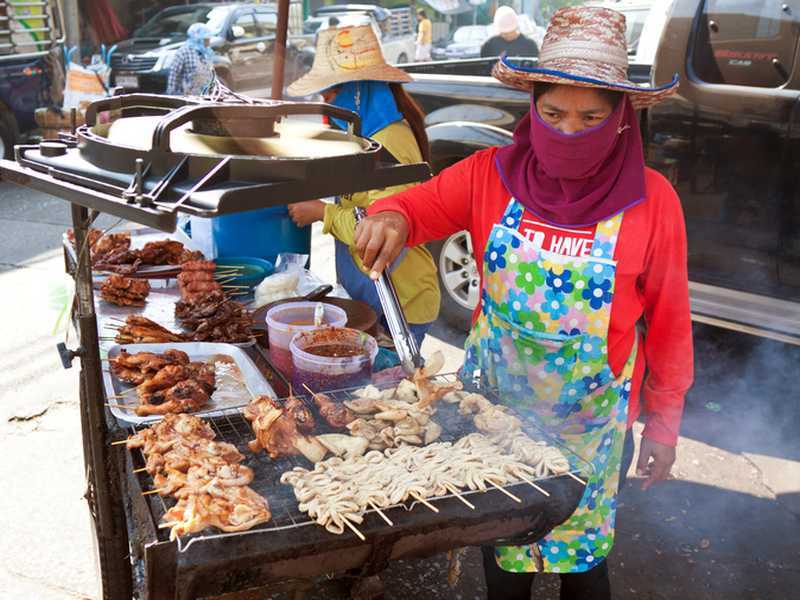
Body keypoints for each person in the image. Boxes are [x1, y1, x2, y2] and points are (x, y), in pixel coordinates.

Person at [353, 7, 692, 599]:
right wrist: (389, 217)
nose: (567, 132)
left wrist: (664, 424)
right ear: (531, 108)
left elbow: (669, 322)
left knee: (583, 569)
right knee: (504, 561)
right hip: (497, 413)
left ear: (621, 121)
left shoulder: (653, 201)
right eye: (553, 113)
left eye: (589, 117)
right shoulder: (490, 174)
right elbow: (415, 208)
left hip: (591, 421)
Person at [286, 25, 440, 351]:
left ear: (357, 90)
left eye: (330, 93)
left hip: (402, 300)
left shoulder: (388, 140)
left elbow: (380, 229)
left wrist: (321, 212)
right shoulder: (361, 134)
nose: (324, 101)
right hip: (372, 292)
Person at [166, 23, 215, 96]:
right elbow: (174, 75)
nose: (208, 43)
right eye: (206, 40)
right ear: (198, 39)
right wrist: (172, 96)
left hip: (206, 97)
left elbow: (212, 75)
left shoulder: (207, 53)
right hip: (188, 97)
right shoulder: (183, 52)